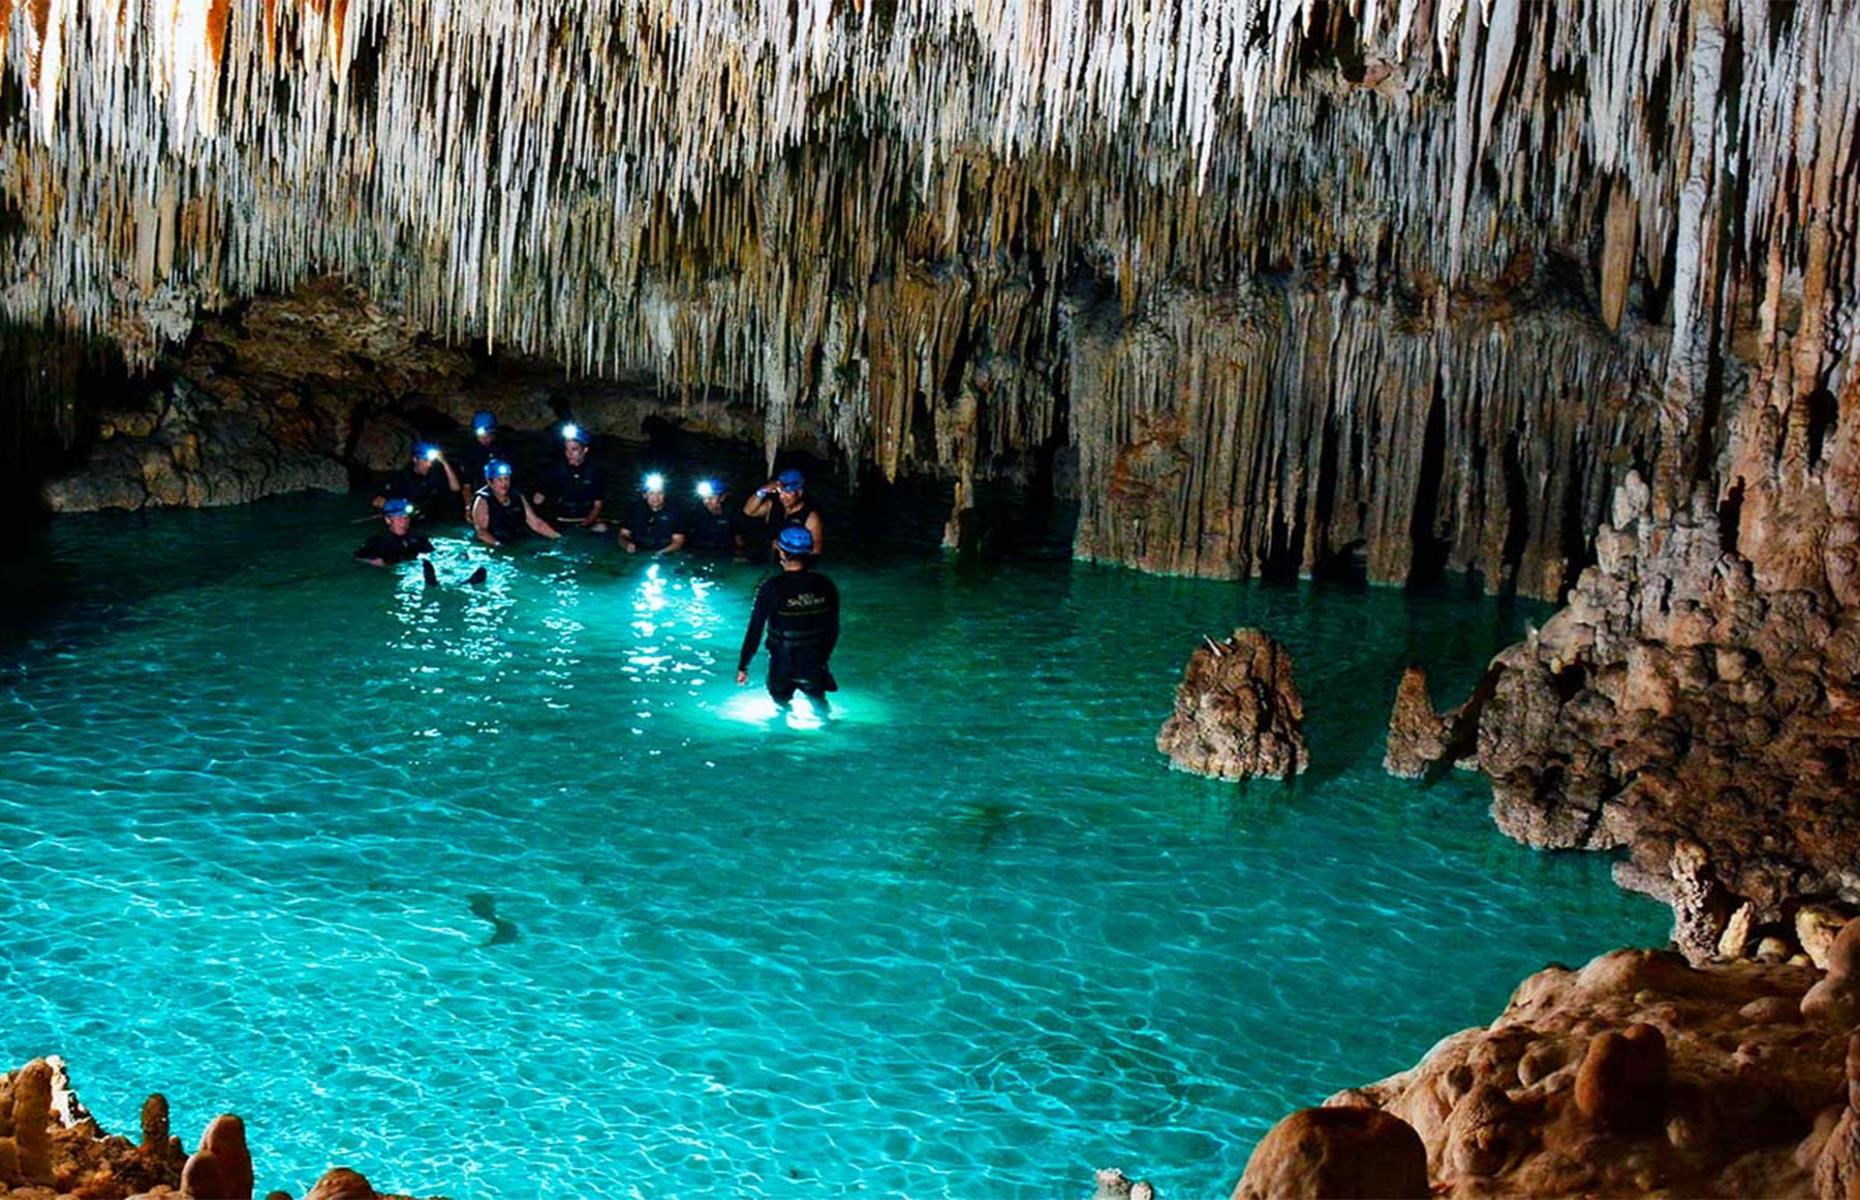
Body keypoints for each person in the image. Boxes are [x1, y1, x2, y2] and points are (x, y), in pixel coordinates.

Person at [736, 525, 840, 709]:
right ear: (808, 552)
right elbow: (833, 630)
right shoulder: (825, 585)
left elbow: (755, 630)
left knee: (781, 705)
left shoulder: (771, 587)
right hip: (814, 663)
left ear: (781, 551)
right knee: (820, 703)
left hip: (782, 665)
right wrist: (823, 660)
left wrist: (743, 666)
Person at [531, 423, 609, 531]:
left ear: (585, 450)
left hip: (584, 519)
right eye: (567, 449)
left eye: (574, 449)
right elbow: (538, 499)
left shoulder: (595, 471)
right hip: (559, 519)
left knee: (602, 528)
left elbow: (597, 505)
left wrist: (587, 521)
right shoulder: (556, 470)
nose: (569, 453)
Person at [471, 459, 559, 547]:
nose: (504, 483)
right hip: (496, 544)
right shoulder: (483, 500)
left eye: (506, 479)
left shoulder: (516, 495)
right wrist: (498, 545)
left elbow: (536, 523)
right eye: (499, 480)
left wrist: (557, 538)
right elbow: (481, 532)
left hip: (516, 540)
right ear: (490, 482)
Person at [742, 467, 824, 558]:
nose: (782, 496)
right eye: (780, 492)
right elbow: (748, 511)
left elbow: (816, 549)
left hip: (792, 561)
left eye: (788, 492)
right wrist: (761, 491)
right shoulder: (773, 505)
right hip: (768, 560)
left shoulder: (811, 516)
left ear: (800, 492)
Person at [374, 443, 459, 520]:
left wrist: (444, 462)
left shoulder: (433, 474)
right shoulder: (401, 477)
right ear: (415, 459)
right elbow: (377, 501)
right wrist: (399, 505)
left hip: (428, 517)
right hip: (406, 517)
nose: (429, 465)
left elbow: (455, 488)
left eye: (430, 461)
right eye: (425, 460)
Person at [456, 411, 508, 517]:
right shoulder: (470, 451)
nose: (484, 439)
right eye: (481, 436)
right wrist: (469, 507)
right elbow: (467, 484)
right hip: (481, 490)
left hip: (502, 488)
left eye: (488, 435)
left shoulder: (502, 446)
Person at [618, 474, 686, 556]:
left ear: (664, 495)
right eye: (651, 493)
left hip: (664, 552)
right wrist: (626, 545)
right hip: (637, 550)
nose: (656, 498)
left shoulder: (675, 511)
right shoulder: (634, 509)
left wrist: (661, 553)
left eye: (659, 493)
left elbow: (678, 541)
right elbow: (623, 535)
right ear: (645, 495)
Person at [354, 499, 434, 566]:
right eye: (399, 518)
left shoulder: (418, 537)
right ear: (388, 520)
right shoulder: (378, 541)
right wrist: (372, 562)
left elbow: (432, 554)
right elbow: (358, 558)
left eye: (406, 518)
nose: (404, 522)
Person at [685, 479, 745, 556]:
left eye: (711, 497)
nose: (707, 501)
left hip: (725, 553)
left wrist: (739, 554)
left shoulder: (732, 513)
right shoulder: (695, 512)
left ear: (722, 497)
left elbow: (739, 540)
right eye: (705, 498)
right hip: (700, 552)